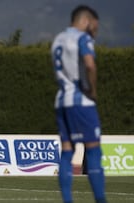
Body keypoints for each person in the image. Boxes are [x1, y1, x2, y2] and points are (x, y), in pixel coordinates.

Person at [51, 5, 106, 203]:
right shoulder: (83, 38)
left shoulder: (58, 40)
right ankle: (100, 199)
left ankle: (67, 200)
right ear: (87, 21)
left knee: (67, 152)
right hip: (81, 101)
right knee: (93, 150)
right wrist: (93, 91)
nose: (95, 30)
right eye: (95, 26)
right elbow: (89, 64)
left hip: (61, 101)